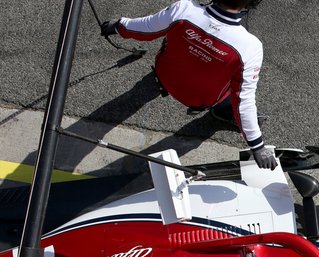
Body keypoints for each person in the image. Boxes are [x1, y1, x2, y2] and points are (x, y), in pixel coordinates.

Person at [101, 0, 277, 170]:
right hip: (199, 100)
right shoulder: (251, 47)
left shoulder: (183, 9)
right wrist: (257, 146)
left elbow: (143, 28)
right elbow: (243, 101)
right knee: (233, 94)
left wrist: (116, 26)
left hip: (165, 76)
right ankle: (223, 112)